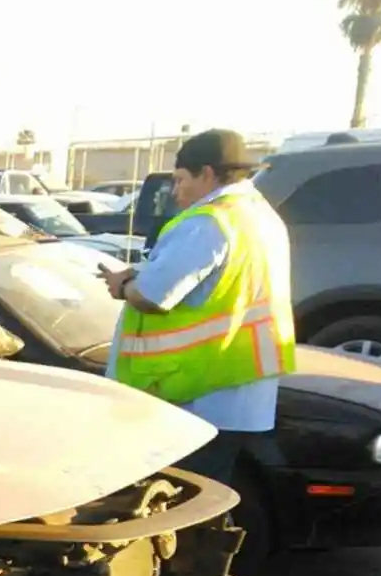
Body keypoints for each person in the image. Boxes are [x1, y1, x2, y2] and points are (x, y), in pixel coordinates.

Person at [100, 129, 295, 485]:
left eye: (179, 180)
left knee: (177, 505)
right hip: (238, 387)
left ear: (206, 173)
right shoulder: (259, 216)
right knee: (209, 501)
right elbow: (217, 281)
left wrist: (124, 285)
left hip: (198, 394)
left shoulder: (208, 221)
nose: (176, 192)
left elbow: (154, 297)